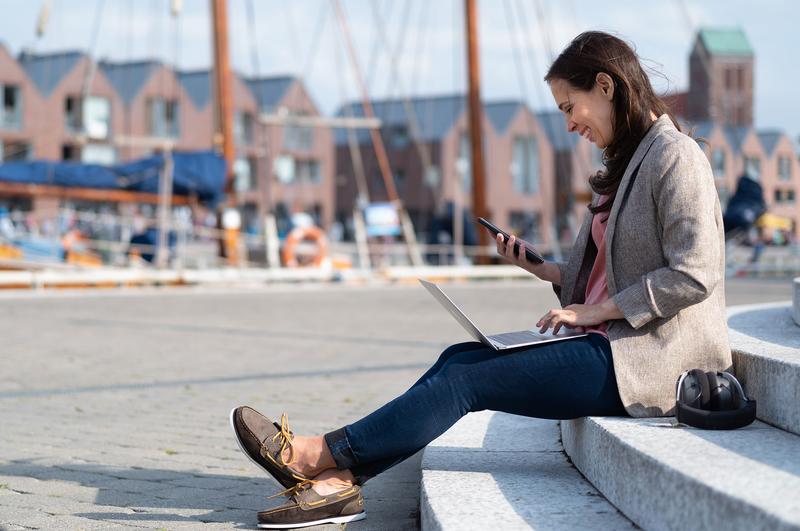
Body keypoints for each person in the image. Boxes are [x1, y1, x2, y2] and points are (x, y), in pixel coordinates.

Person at [230, 31, 731, 529]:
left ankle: (317, 454)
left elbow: (694, 273)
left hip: (649, 359)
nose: (569, 122)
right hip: (608, 343)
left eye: (567, 106)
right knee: (458, 357)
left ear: (605, 86)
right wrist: (538, 267)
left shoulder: (675, 156)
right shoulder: (625, 165)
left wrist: (595, 311)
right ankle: (337, 483)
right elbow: (596, 277)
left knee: (465, 380)